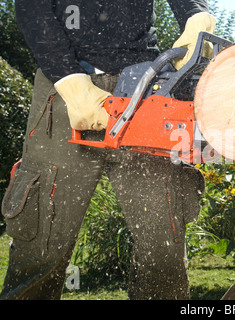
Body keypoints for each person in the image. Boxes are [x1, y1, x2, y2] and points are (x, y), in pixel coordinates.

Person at [0, 0, 215, 300]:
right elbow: (31, 7)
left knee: (163, 254)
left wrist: (196, 14)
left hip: (146, 91)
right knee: (40, 250)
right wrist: (68, 78)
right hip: (63, 90)